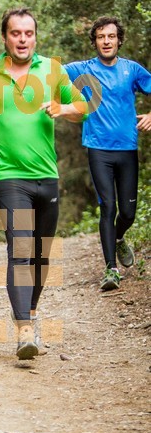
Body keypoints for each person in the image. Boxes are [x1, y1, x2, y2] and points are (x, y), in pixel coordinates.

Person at [0, 7, 86, 360]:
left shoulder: (52, 69)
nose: (22, 39)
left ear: (35, 36)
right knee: (20, 250)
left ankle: (30, 311)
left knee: (41, 255)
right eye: (16, 33)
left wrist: (64, 109)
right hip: (9, 176)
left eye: (28, 33)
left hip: (47, 176)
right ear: (5, 38)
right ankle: (24, 330)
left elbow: (83, 106)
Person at [64, 17, 151, 291]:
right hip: (98, 148)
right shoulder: (83, 69)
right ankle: (111, 269)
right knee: (108, 207)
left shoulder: (132, 70)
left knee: (127, 213)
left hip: (127, 149)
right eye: (101, 37)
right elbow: (49, 70)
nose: (106, 41)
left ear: (119, 40)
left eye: (111, 36)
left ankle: (119, 237)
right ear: (95, 42)